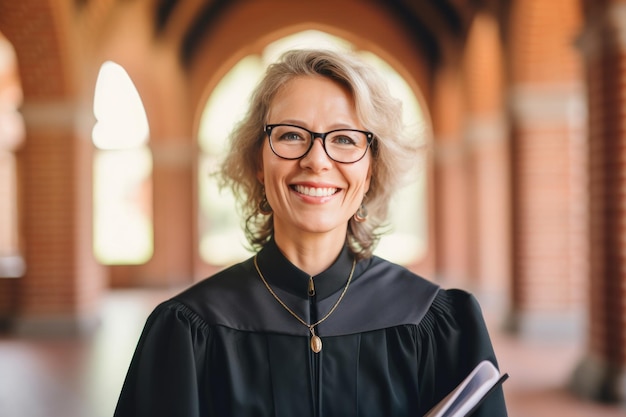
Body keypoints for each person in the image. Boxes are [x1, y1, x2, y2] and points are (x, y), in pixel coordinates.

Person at [113, 48, 508, 417]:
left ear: (370, 170)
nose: (316, 160)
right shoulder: (186, 332)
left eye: (344, 139)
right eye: (291, 135)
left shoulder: (438, 326)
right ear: (257, 160)